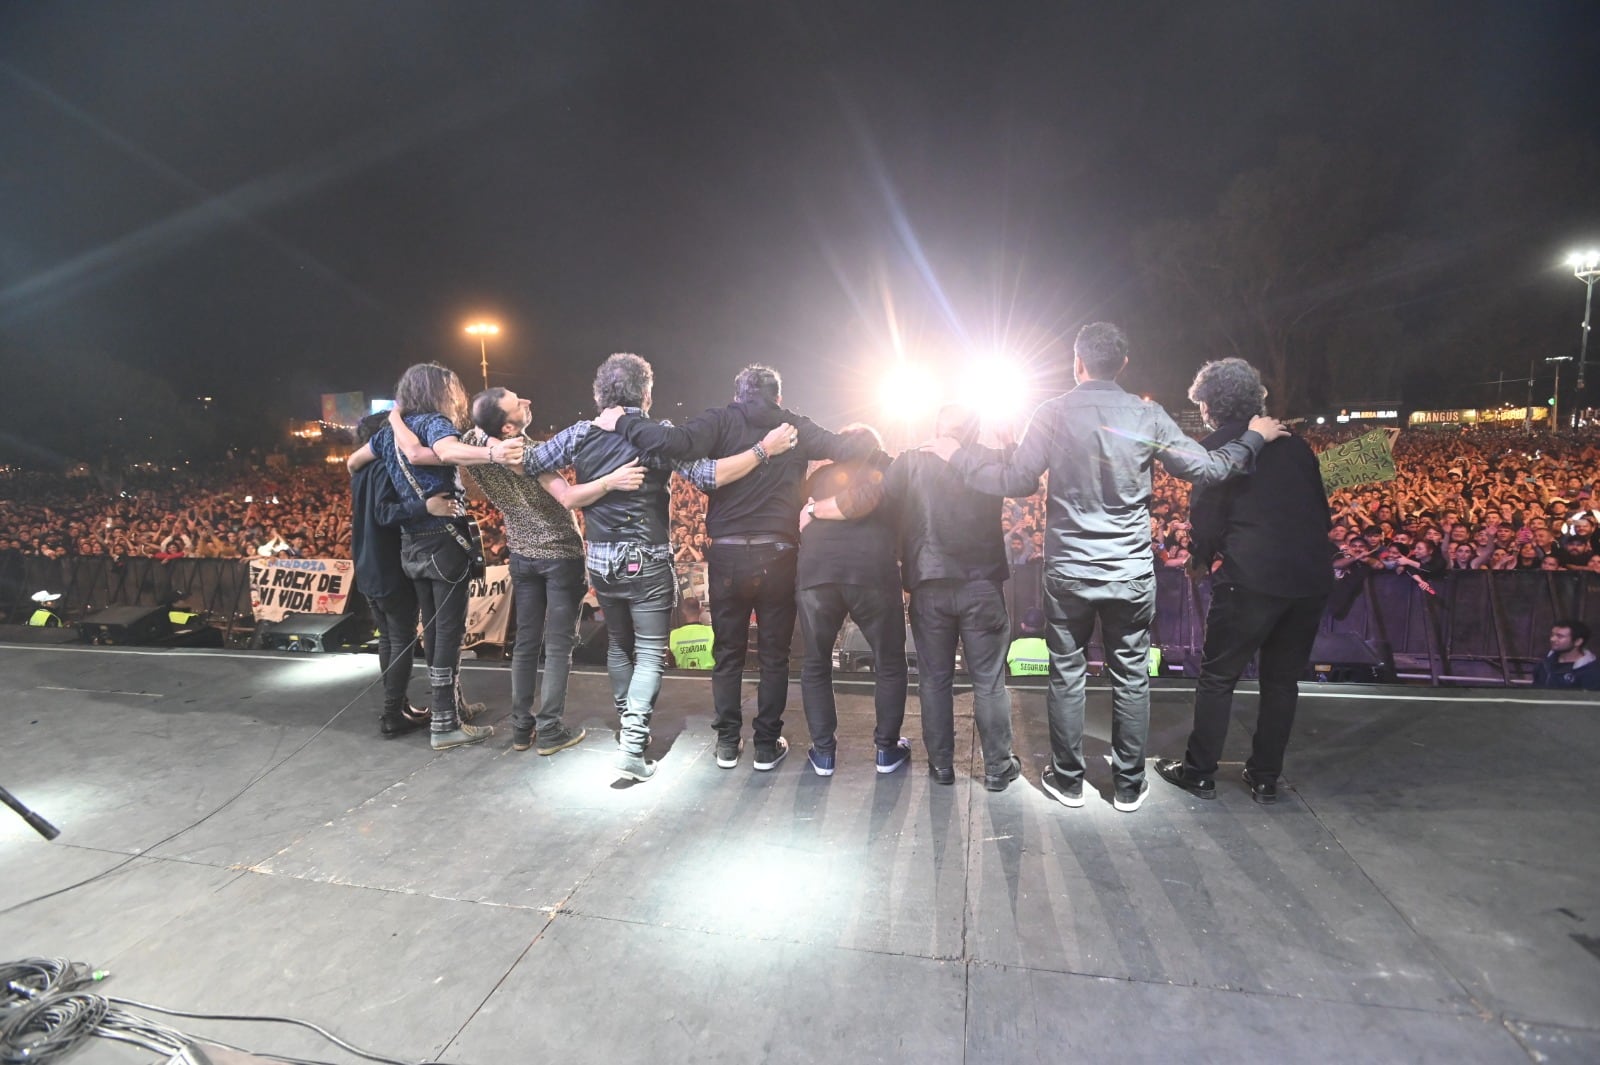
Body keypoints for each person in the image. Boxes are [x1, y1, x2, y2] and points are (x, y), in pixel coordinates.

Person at [935, 322, 1286, 812]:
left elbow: (1016, 479)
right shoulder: (1148, 415)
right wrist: (1252, 438)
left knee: (1067, 673)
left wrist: (959, 458)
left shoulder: (1052, 412)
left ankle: (1069, 781)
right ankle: (1127, 785)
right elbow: (1208, 468)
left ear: (1076, 362)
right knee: (1131, 676)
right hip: (1129, 572)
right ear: (1123, 365)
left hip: (1070, 571)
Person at [525, 353, 798, 781]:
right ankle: (634, 741)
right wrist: (763, 451)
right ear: (647, 394)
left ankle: (627, 727)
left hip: (599, 556)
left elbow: (531, 463)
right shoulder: (659, 436)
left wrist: (576, 493)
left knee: (619, 645)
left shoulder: (580, 433)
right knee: (651, 651)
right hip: (647, 557)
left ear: (599, 394)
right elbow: (708, 476)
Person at [596, 363, 877, 773]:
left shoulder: (719, 420)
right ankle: (766, 745)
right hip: (779, 554)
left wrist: (622, 420)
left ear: (737, 394)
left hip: (726, 555)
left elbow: (669, 441)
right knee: (775, 656)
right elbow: (850, 448)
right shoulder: (792, 426)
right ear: (778, 397)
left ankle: (728, 744)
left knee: (727, 654)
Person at [391, 386, 647, 756]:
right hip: (560, 555)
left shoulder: (476, 441)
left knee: (526, 645)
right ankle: (551, 729)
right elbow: (569, 497)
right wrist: (612, 480)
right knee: (558, 646)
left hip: (522, 557)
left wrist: (395, 418)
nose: (527, 401)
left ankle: (522, 728)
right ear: (508, 428)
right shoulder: (526, 454)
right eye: (517, 404)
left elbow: (417, 452)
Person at [811, 404, 1021, 790]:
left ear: (936, 427)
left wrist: (816, 509)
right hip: (981, 585)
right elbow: (1022, 478)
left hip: (929, 585)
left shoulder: (910, 462)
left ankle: (941, 767)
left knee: (935, 680)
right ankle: (997, 768)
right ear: (974, 432)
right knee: (989, 682)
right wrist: (1009, 443)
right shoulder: (986, 459)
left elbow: (869, 499)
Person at [1153, 358, 1332, 806]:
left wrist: (1201, 555)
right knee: (1281, 681)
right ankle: (1266, 777)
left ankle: (1199, 772)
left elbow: (1206, 515)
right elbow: (1320, 511)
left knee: (1217, 678)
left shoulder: (1216, 447)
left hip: (1251, 578)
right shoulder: (1297, 446)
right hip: (1309, 579)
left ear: (1211, 405)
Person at [348, 362, 523, 751]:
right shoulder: (433, 424)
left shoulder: (387, 437)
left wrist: (397, 424)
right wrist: (494, 456)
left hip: (411, 546)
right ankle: (445, 722)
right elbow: (444, 450)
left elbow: (352, 463)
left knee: (434, 630)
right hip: (443, 542)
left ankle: (452, 709)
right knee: (447, 633)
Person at [792, 424, 910, 777]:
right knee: (889, 661)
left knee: (815, 662)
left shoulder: (820, 476)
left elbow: (801, 517)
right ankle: (887, 751)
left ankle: (824, 753)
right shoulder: (887, 471)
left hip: (817, 575)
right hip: (871, 573)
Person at [348, 412, 452, 739]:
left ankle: (398, 706)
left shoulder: (359, 470)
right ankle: (393, 713)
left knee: (389, 639)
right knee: (402, 640)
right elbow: (384, 513)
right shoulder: (381, 468)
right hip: (387, 565)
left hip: (367, 564)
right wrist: (426, 507)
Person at [1532, 620, 1600, 690]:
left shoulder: (1591, 670)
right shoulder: (1544, 664)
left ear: (1578, 642)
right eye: (1552, 635)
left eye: (1560, 636)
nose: (1552, 639)